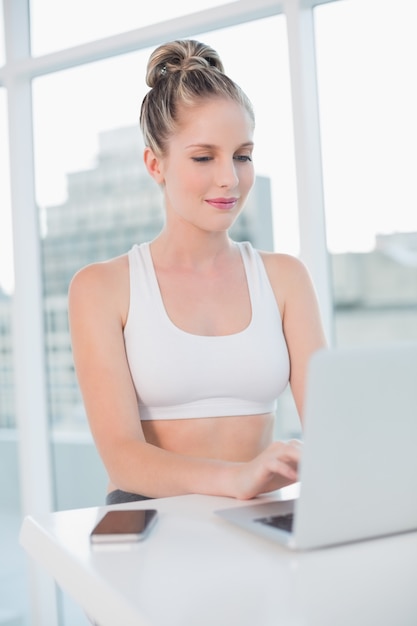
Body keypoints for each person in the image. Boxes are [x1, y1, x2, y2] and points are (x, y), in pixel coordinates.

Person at [68, 39, 327, 506]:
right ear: (155, 164)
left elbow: (334, 431)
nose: (229, 177)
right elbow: (123, 458)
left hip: (256, 520)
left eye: (242, 155)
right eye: (204, 157)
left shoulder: (286, 278)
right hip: (151, 523)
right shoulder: (102, 288)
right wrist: (236, 479)